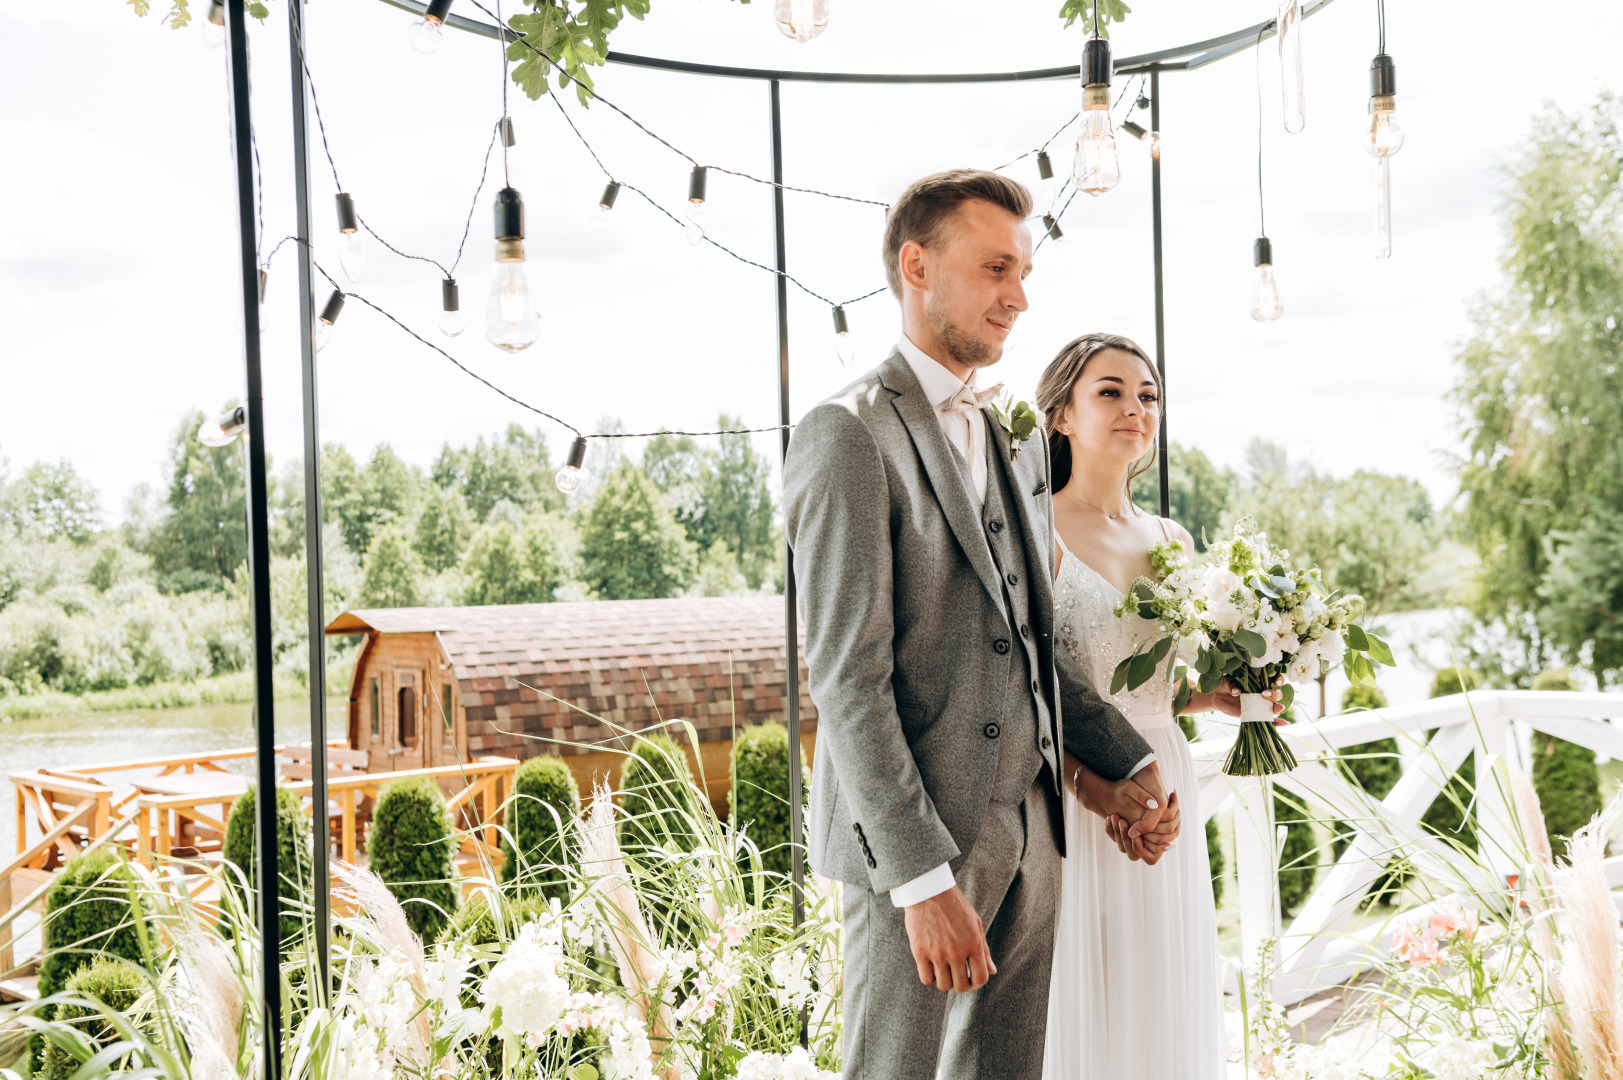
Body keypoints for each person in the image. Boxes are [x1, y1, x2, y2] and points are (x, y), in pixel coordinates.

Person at [782, 172, 1173, 1080]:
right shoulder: (845, 434)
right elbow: (845, 680)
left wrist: (1125, 761)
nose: (1019, 296)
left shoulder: (1005, 439)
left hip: (1031, 837)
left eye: (1024, 270)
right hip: (913, 857)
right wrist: (920, 882)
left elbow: (1026, 645)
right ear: (917, 266)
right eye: (996, 266)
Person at [1037, 332, 1265, 1080]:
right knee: (1086, 982)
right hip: (1076, 791)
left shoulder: (1169, 538)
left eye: (1148, 395)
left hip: (1167, 778)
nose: (1135, 408)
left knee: (1158, 976)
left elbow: (1153, 687)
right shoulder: (1034, 533)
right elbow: (1034, 688)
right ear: (1063, 414)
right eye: (1110, 391)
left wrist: (1216, 697)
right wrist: (1094, 788)